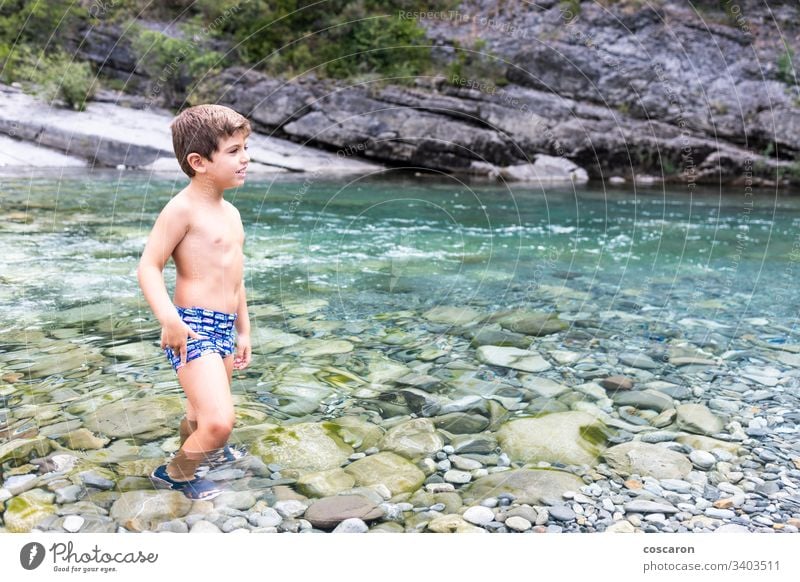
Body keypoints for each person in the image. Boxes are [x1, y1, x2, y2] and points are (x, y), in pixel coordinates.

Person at [137, 104, 253, 500]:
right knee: (220, 421)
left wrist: (243, 329)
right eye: (234, 150)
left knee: (200, 413)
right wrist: (168, 319)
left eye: (245, 148)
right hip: (190, 327)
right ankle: (175, 473)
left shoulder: (232, 214)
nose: (246, 158)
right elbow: (148, 267)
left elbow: (235, 277)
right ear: (198, 161)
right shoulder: (182, 209)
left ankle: (206, 453)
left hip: (223, 327)